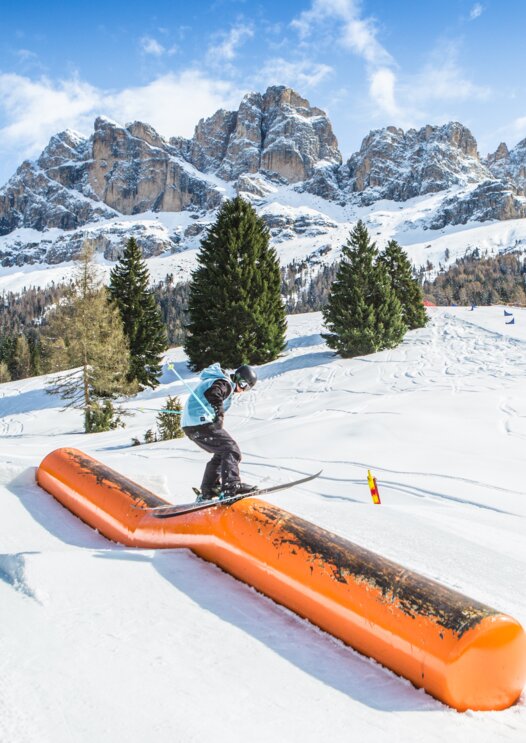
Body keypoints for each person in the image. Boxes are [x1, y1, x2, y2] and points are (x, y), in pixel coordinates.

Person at [182, 362, 258, 501]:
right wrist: (219, 414)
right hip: (200, 424)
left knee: (221, 453)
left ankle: (209, 489)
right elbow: (213, 393)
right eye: (244, 385)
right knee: (231, 449)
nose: (242, 389)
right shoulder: (225, 383)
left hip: (191, 426)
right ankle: (231, 487)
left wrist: (215, 412)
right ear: (239, 380)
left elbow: (208, 397)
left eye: (246, 388)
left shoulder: (219, 381)